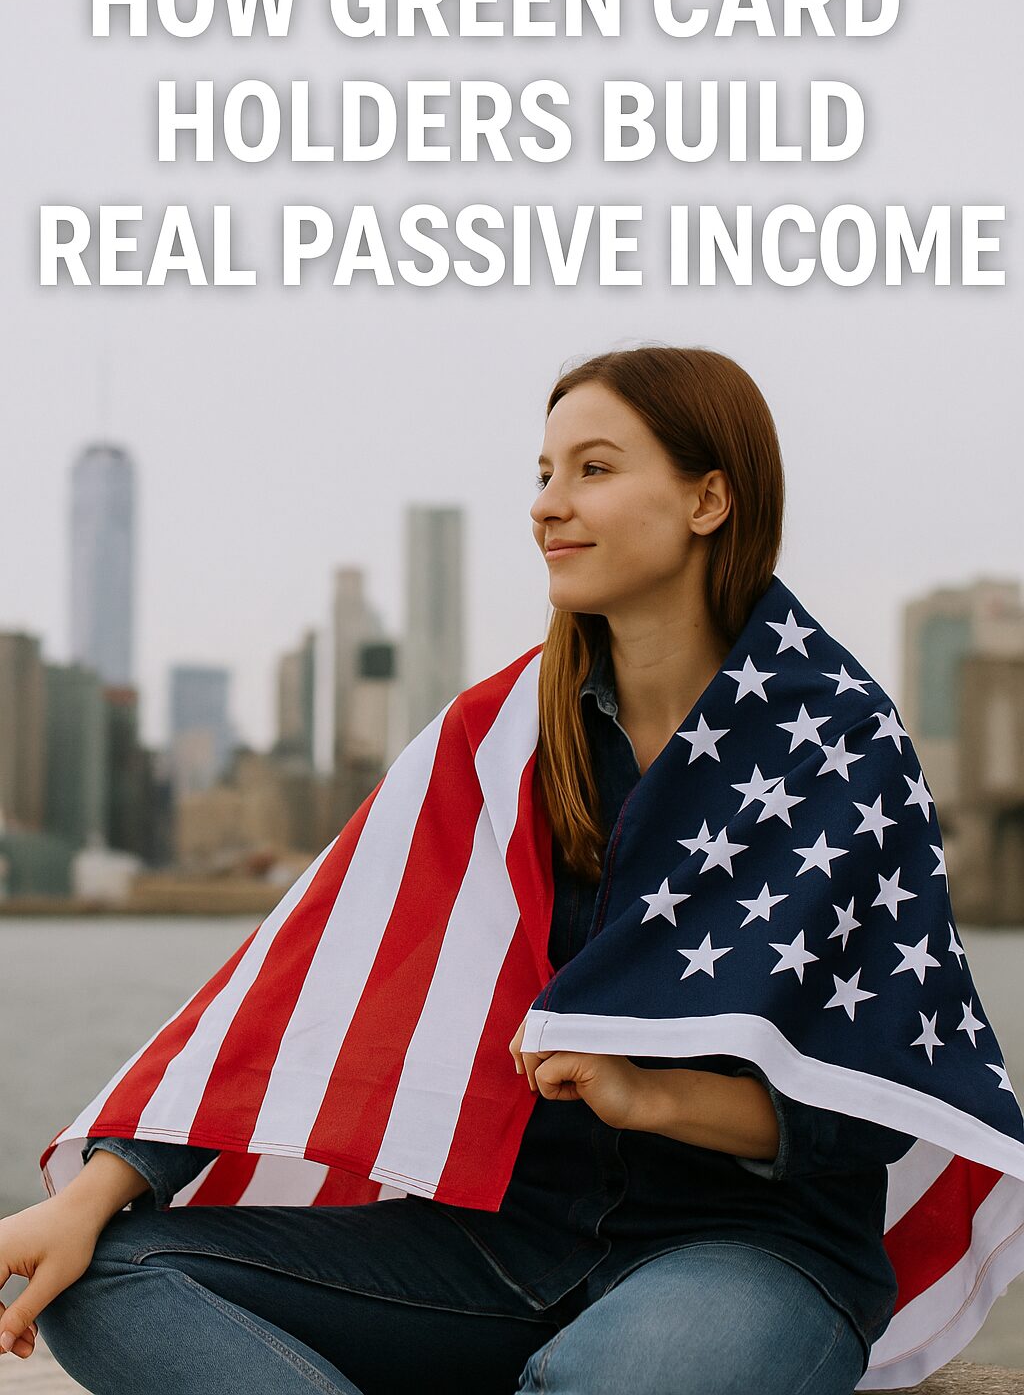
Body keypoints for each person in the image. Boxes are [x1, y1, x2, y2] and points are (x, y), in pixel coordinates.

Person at [0, 347, 993, 1393]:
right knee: (112, 1274)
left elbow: (879, 1103)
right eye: (543, 473)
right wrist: (96, 1191)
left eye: (593, 470)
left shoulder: (836, 741)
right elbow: (302, 985)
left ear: (709, 499)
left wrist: (649, 1096)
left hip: (748, 1252)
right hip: (499, 1247)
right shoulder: (497, 740)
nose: (548, 507)